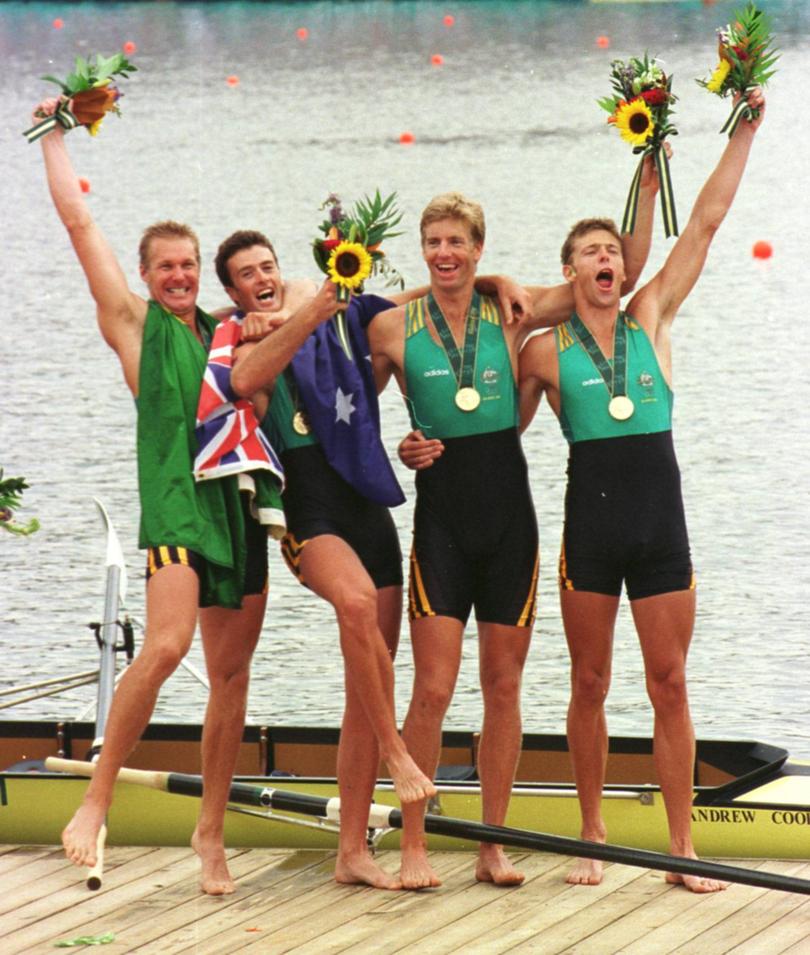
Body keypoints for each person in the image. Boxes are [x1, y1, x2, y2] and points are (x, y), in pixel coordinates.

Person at [369, 187, 657, 890]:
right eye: (432, 242)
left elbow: (620, 272)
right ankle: (414, 844)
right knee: (433, 687)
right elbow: (344, 418)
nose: (444, 253)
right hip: (440, 522)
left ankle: (491, 844)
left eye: (456, 243)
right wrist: (399, 451)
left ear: (478, 249)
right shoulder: (391, 327)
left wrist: (646, 183)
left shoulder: (514, 310)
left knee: (504, 685)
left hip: (510, 524)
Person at [518, 90, 766, 893]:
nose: (604, 262)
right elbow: (494, 431)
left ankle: (681, 846)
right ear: (570, 270)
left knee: (670, 681)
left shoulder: (653, 313)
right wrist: (427, 447)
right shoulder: (542, 351)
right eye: (589, 253)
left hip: (661, 524)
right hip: (588, 529)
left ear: (623, 266)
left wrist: (745, 129)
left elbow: (707, 222)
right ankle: (593, 834)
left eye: (612, 252)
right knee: (589, 682)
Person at [33, 99, 277, 896]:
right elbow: (79, 226)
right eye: (165, 264)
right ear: (144, 274)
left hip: (235, 513)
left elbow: (298, 302)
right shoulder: (136, 326)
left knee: (231, 679)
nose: (178, 274)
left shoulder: (227, 332)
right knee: (166, 646)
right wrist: (55, 133)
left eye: (188, 264)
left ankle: (209, 834)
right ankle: (95, 801)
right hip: (174, 509)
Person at [221, 231, 436, 888]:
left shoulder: (326, 319)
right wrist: (301, 315)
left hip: (365, 507)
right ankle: (396, 753)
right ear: (232, 292)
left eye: (268, 266)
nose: (260, 277)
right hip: (305, 509)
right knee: (354, 602)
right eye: (246, 274)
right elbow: (244, 383)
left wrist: (482, 285)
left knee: (367, 681)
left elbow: (390, 303)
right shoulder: (244, 340)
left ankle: (351, 851)